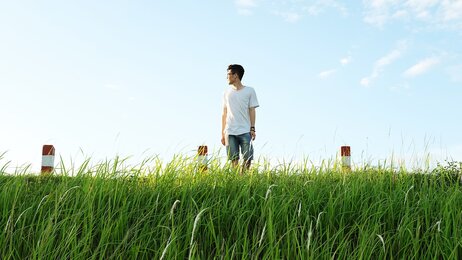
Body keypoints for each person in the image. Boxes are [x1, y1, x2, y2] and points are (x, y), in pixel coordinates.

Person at [221, 64, 259, 171]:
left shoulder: (250, 91)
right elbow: (224, 113)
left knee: (248, 158)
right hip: (230, 131)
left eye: (228, 74)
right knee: (234, 159)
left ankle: (243, 177)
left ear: (235, 75)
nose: (227, 77)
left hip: (245, 130)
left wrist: (252, 128)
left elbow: (252, 110)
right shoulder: (226, 93)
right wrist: (222, 133)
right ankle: (236, 181)